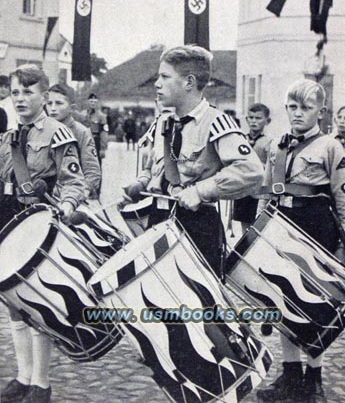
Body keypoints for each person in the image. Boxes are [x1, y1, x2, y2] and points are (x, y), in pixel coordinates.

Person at [119, 45, 264, 276]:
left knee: (198, 306)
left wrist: (200, 191)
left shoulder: (216, 122)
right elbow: (152, 169)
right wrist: (140, 183)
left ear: (189, 82)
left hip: (196, 227)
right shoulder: (162, 123)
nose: (156, 83)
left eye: (165, 77)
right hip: (158, 221)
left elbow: (251, 170)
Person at [0, 65, 85, 403]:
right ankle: (22, 376)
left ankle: (41, 383)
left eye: (28, 92)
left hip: (36, 224)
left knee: (37, 307)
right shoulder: (7, 138)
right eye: (16, 92)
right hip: (7, 221)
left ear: (45, 96)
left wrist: (65, 206)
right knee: (13, 305)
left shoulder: (57, 133)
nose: (20, 99)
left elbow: (74, 180)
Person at [256, 79, 345, 403]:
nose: (297, 114)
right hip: (282, 229)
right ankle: (290, 375)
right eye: (292, 107)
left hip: (318, 230)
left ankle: (314, 379)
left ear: (321, 112)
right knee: (283, 301)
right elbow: (268, 192)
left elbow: (341, 198)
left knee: (316, 306)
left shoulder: (331, 148)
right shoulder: (277, 146)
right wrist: (259, 232)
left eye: (305, 108)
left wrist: (343, 247)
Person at [46, 84, 101, 199]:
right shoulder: (40, 130)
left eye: (59, 103)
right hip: (45, 197)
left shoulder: (81, 132)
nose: (53, 108)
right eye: (49, 103)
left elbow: (92, 171)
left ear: (72, 107)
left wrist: (83, 192)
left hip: (71, 197)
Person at [233, 103, 272, 233]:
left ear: (267, 121)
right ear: (246, 119)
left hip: (259, 192)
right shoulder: (240, 139)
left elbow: (271, 167)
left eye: (258, 118)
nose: (254, 121)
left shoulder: (270, 142)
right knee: (244, 228)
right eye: (251, 117)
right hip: (243, 190)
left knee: (258, 226)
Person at [81, 93, 108, 164]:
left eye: (95, 102)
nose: (93, 104)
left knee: (96, 163)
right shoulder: (82, 114)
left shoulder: (101, 116)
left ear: (97, 103)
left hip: (95, 141)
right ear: (87, 102)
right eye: (91, 101)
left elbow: (104, 133)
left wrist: (103, 148)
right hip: (83, 141)